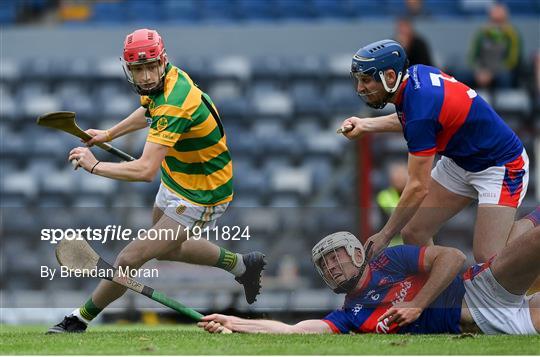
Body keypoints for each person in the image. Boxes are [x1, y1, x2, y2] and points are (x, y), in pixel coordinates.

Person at [47, 29, 266, 333]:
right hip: (177, 177)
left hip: (202, 193)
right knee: (164, 249)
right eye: (139, 69)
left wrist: (94, 166)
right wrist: (108, 134)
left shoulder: (175, 102)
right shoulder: (165, 81)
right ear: (129, 69)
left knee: (129, 257)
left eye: (152, 66)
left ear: (163, 60)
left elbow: (144, 171)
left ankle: (79, 319)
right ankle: (243, 265)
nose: (147, 76)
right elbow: (148, 110)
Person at [339, 39, 539, 264]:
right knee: (414, 232)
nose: (360, 89)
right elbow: (415, 119)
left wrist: (384, 235)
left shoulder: (420, 107)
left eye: (366, 80)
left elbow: (417, 187)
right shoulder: (414, 76)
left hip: (500, 165)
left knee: (488, 258)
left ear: (390, 77)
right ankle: (439, 296)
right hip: (460, 159)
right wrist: (366, 125)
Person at [198, 230, 540, 335]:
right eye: (324, 265)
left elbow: (452, 257)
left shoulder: (390, 260)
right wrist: (234, 322)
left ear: (358, 254)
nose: (330, 267)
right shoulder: (351, 315)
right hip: (489, 324)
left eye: (335, 257)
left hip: (480, 288)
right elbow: (293, 331)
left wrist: (417, 305)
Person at [469, 2, 521, 89]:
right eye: (494, 20)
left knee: (505, 77)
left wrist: (492, 73)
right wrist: (479, 71)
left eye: (499, 21)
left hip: (502, 71)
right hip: (482, 71)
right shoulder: (482, 33)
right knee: (462, 76)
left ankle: (505, 102)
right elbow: (473, 57)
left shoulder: (512, 34)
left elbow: (512, 60)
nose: (496, 25)